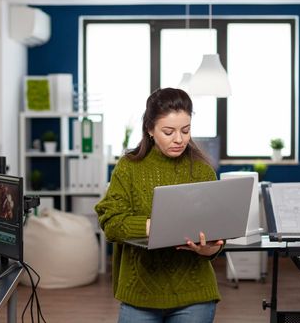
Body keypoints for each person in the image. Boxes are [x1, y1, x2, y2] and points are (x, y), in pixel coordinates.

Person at [95, 88, 224, 322]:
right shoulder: (129, 168)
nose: (179, 139)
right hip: (140, 294)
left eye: (186, 130)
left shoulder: (203, 170)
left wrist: (210, 249)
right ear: (150, 129)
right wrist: (154, 226)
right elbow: (111, 223)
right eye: (168, 131)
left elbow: (214, 235)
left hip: (195, 293)